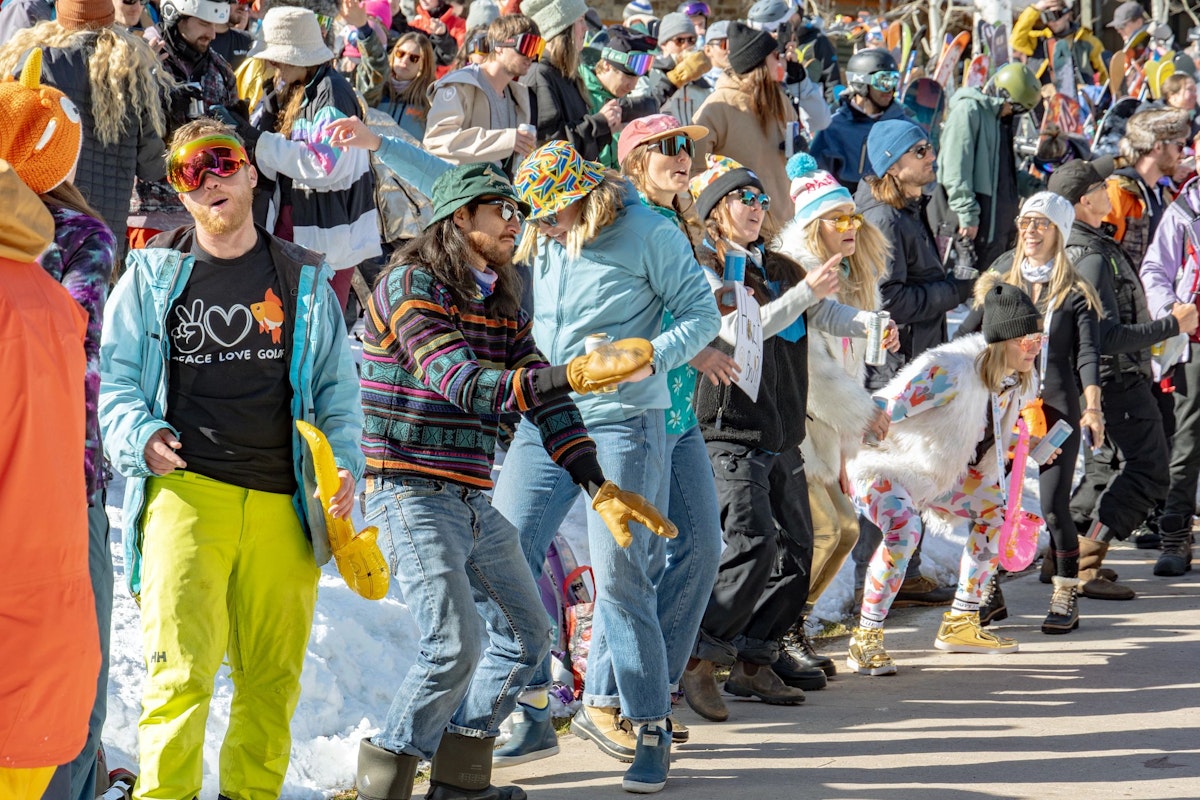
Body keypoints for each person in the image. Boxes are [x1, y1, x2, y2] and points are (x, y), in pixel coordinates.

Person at [344, 155, 669, 800]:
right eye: (505, 211)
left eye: (522, 213)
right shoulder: (411, 285)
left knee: (528, 637)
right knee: (450, 644)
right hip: (407, 490)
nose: (519, 224)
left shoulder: (500, 297)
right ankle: (385, 783)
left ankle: (459, 784)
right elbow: (467, 385)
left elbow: (543, 401)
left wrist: (596, 483)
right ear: (460, 218)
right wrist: (573, 373)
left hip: (467, 493)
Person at [98, 118, 363, 800]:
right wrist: (141, 436)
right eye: (191, 172)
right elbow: (118, 380)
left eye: (221, 163)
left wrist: (348, 470)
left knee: (270, 689)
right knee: (178, 681)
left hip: (283, 504)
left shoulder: (302, 279)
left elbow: (337, 391)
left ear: (251, 172)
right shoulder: (154, 273)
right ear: (181, 194)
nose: (210, 179)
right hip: (188, 495)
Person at [494, 140, 719, 792]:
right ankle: (536, 705)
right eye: (532, 217)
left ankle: (647, 723)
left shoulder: (649, 230)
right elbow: (452, 183)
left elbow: (702, 318)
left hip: (625, 423)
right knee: (503, 552)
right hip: (550, 413)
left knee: (623, 578)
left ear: (585, 202)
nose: (540, 229)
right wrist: (381, 145)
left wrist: (651, 355)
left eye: (552, 216)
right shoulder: (547, 226)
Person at [681, 153, 887, 719]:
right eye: (744, 198)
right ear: (717, 210)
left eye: (760, 198)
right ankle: (699, 660)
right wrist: (805, 293)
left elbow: (821, 318)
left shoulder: (777, 265)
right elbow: (740, 329)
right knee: (752, 542)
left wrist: (866, 323)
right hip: (730, 427)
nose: (756, 207)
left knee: (799, 548)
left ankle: (754, 661)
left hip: (781, 428)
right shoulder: (712, 265)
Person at [0, 49, 117, 800]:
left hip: (68, 474)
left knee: (73, 676)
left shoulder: (83, 236)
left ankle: (76, 784)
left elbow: (71, 333)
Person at [846, 284, 1044, 674]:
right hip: (884, 462)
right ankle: (864, 638)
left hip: (938, 473)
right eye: (1027, 339)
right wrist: (838, 457)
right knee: (904, 530)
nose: (1035, 347)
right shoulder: (949, 373)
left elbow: (987, 443)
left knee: (995, 512)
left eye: (1039, 337)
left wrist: (1031, 446)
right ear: (1003, 340)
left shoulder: (1016, 379)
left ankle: (961, 622)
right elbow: (880, 410)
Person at [611, 111, 727, 742]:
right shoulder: (629, 222)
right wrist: (693, 346)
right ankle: (625, 699)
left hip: (680, 414)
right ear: (634, 163)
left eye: (687, 147)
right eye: (667, 149)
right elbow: (620, 313)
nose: (683, 158)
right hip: (642, 411)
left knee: (703, 546)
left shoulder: (679, 220)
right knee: (636, 563)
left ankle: (656, 683)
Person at [958, 191, 1103, 632]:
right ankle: (989, 591)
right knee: (990, 502)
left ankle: (1064, 593)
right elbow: (965, 338)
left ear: (1058, 231)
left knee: (1056, 506)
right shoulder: (1002, 285)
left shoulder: (1076, 292)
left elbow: (1088, 355)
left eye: (1041, 223)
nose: (1031, 230)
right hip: (1003, 410)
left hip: (1057, 410)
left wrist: (1092, 406)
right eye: (1025, 222)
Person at [774, 152, 891, 670]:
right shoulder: (798, 271)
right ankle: (778, 633)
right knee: (828, 530)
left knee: (842, 530)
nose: (851, 227)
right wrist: (862, 415)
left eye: (853, 217)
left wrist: (871, 329)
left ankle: (792, 624)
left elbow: (847, 354)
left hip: (822, 431)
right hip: (793, 427)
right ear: (813, 224)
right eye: (838, 219)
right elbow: (813, 372)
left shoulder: (838, 271)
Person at [1053, 157, 1191, 599]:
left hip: (1108, 379)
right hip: (1116, 379)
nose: (1110, 190)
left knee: (1105, 469)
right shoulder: (1089, 255)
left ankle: (1063, 560)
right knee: (1150, 470)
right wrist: (1173, 325)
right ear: (1084, 200)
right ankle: (1086, 564)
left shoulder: (1088, 243)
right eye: (1101, 186)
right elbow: (1106, 335)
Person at [852, 119, 974, 608]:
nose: (930, 156)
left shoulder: (905, 207)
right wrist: (957, 290)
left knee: (907, 468)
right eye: (920, 150)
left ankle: (907, 573)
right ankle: (875, 580)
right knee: (884, 469)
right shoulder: (881, 218)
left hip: (909, 357)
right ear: (892, 164)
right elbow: (890, 302)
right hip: (889, 367)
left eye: (929, 147)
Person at [0, 0, 170, 257]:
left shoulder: (39, 59)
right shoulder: (134, 71)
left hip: (42, 226)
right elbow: (152, 166)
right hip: (103, 237)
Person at [252, 5, 381, 311]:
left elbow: (323, 164)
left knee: (317, 327)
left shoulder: (332, 92)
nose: (272, 66)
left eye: (275, 59)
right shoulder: (301, 89)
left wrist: (259, 140)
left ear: (295, 55)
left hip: (327, 236)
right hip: (301, 224)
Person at [128, 0, 238, 249]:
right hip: (148, 212)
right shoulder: (142, 55)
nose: (211, 34)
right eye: (203, 23)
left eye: (214, 25)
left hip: (204, 212)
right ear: (174, 17)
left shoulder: (220, 70)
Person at [693, 21, 820, 232]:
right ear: (758, 62)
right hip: (739, 227)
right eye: (774, 56)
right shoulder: (719, 105)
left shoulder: (780, 100)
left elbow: (792, 156)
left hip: (784, 223)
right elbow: (694, 167)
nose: (781, 61)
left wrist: (798, 149)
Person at [1139, 167, 1200, 578]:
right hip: (1194, 341)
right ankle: (1175, 532)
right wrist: (1172, 312)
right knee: (1188, 437)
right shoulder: (1183, 209)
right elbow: (1155, 269)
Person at [938, 62, 1040, 271]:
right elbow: (955, 168)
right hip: (975, 226)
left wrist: (1037, 188)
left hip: (998, 230)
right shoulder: (969, 111)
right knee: (969, 294)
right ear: (1001, 93)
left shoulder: (999, 121)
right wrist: (967, 214)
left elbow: (1003, 173)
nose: (1013, 113)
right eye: (1015, 106)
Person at [423, 14, 539, 171]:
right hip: (459, 191)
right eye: (526, 46)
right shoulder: (460, 84)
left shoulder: (518, 97)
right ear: (499, 45)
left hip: (500, 191)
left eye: (537, 47)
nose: (531, 56)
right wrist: (506, 140)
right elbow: (437, 141)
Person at [519, 0, 620, 162]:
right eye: (580, 21)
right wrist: (599, 122)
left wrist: (608, 127)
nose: (586, 28)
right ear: (562, 30)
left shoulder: (566, 74)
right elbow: (548, 145)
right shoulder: (540, 75)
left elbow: (582, 148)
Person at [809, 48, 910, 195]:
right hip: (849, 209)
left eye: (894, 80)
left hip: (896, 209)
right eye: (883, 81)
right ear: (861, 82)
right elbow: (816, 183)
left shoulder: (904, 126)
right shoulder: (834, 128)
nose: (890, 89)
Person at [1104, 107, 1190, 268]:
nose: (1183, 155)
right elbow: (1103, 257)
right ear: (1158, 146)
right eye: (1179, 146)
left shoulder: (1163, 195)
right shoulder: (1118, 190)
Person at [635, 12, 713, 128]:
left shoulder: (701, 83)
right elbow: (639, 113)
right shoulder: (649, 73)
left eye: (691, 40)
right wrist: (673, 79)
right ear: (664, 44)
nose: (686, 45)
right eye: (679, 40)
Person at [361, 29, 437, 140]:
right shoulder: (376, 88)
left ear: (424, 64)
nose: (405, 61)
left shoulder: (430, 100)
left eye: (413, 58)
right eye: (400, 53)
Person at [1011, 0, 1107, 86]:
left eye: (1055, 15)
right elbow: (1016, 41)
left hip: (1078, 95)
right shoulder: (1040, 39)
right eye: (1046, 17)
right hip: (1047, 95)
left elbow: (1104, 71)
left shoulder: (1087, 41)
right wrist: (1036, 9)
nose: (1052, 22)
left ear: (1067, 14)